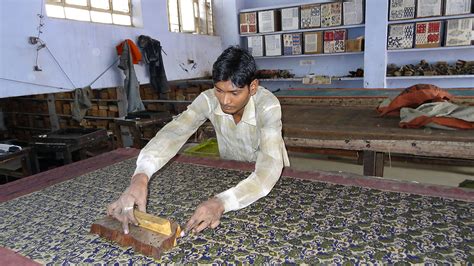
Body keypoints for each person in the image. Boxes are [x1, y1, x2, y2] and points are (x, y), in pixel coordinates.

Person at [107, 46, 290, 235]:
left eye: (234, 93)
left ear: (252, 87)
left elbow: (267, 170)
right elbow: (174, 133)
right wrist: (140, 177)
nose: (225, 100)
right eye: (219, 90)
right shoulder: (209, 100)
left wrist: (221, 202)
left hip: (271, 179)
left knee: (269, 226)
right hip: (232, 172)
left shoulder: (268, 106)